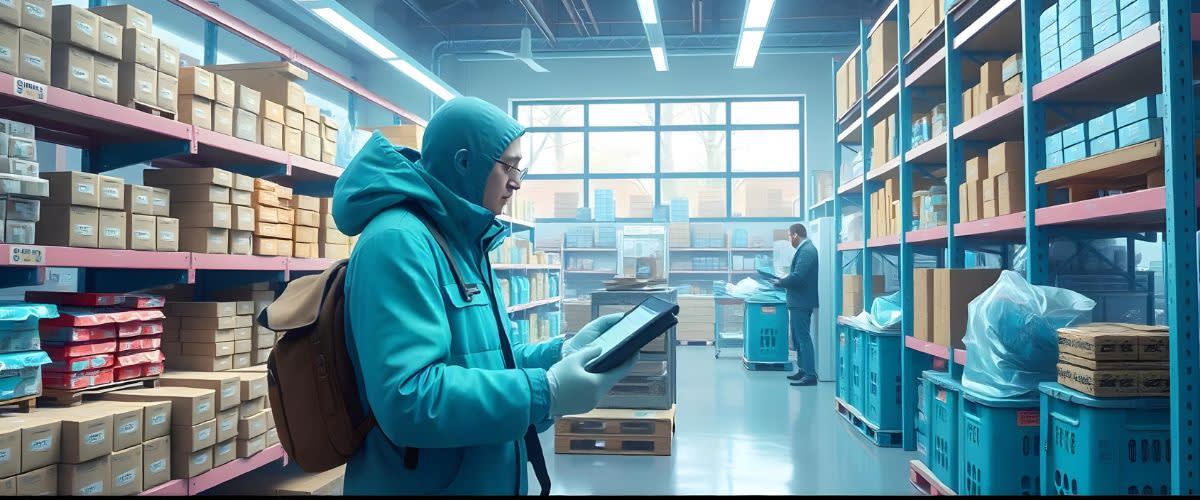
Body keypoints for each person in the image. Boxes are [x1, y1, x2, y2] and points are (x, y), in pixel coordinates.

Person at [332, 97, 637, 495]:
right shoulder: (399, 242)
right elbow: (408, 400)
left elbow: (487, 362)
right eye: (508, 165)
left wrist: (560, 355)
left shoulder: (463, 243)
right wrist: (547, 390)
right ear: (464, 163)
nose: (517, 181)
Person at [771, 223, 819, 386]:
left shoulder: (807, 251)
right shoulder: (804, 250)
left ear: (796, 235)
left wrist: (780, 282)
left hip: (802, 301)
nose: (789, 240)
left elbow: (798, 276)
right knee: (798, 339)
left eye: (789, 236)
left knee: (803, 338)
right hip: (798, 301)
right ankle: (803, 370)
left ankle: (810, 375)